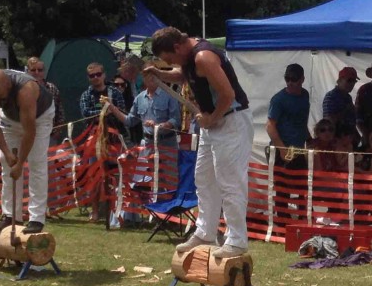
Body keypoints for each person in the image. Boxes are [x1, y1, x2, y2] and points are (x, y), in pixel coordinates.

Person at [146, 27, 252, 259]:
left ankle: (237, 240)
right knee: (204, 179)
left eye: (169, 59)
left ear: (177, 47)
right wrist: (158, 72)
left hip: (230, 121)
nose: (170, 64)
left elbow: (227, 95)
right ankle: (205, 232)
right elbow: (181, 75)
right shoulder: (188, 57)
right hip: (211, 123)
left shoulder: (204, 57)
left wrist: (211, 119)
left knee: (230, 182)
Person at [0, 68, 55, 234]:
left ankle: (36, 218)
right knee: (6, 164)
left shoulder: (26, 89)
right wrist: (7, 153)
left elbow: (30, 132)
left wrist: (20, 163)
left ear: (8, 85)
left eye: (2, 99)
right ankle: (11, 215)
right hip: (9, 120)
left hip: (39, 118)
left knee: (36, 163)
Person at [118, 67, 181, 147]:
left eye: (154, 74)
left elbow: (176, 119)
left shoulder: (169, 95)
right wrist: (111, 107)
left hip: (167, 144)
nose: (151, 77)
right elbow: (130, 121)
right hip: (148, 145)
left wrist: (159, 126)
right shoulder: (139, 98)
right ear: (143, 78)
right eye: (147, 75)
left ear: (159, 76)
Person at [266, 63, 311, 169]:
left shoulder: (305, 95)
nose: (290, 82)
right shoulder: (278, 99)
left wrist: (309, 139)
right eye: (287, 79)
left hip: (298, 149)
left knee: (302, 178)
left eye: (294, 79)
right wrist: (282, 150)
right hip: (281, 149)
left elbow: (301, 120)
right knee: (281, 179)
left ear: (302, 79)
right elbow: (269, 126)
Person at [25, 57, 65, 140]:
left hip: (49, 135)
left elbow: (60, 112)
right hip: (26, 135)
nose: (36, 73)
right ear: (27, 71)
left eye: (40, 70)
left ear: (44, 72)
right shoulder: (22, 90)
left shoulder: (52, 88)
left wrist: (57, 131)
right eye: (33, 70)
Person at [323, 67, 360, 140]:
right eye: (349, 80)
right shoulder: (331, 96)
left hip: (348, 140)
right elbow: (329, 121)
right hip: (336, 140)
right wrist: (347, 110)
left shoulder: (348, 97)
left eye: (354, 81)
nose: (352, 84)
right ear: (339, 80)